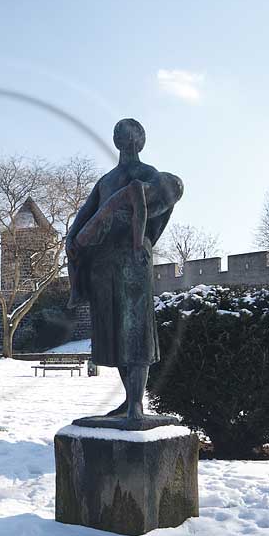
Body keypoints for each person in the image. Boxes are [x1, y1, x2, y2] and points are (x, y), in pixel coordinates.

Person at [66, 119, 183, 419]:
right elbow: (85, 219)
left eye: (129, 134)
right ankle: (131, 402)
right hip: (113, 259)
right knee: (119, 331)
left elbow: (156, 212)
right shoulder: (114, 180)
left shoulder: (142, 176)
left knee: (132, 331)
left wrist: (138, 241)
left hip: (127, 257)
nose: (128, 139)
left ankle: (135, 404)